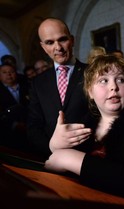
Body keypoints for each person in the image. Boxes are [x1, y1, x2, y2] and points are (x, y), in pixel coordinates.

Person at [45, 55, 124, 207]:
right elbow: (55, 164)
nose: (113, 86)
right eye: (103, 80)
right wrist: (55, 146)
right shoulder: (85, 123)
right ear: (90, 92)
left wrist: (74, 159)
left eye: (120, 80)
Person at [27, 17, 89, 160]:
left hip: (88, 158)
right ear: (43, 47)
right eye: (50, 42)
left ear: (72, 40)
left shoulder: (92, 73)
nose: (58, 48)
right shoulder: (38, 83)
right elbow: (34, 126)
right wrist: (51, 148)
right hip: (52, 159)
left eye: (62, 39)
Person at [0, 63, 30, 150]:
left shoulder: (27, 86)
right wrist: (15, 125)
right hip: (9, 133)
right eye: (4, 72)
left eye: (11, 72)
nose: (8, 74)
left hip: (31, 127)